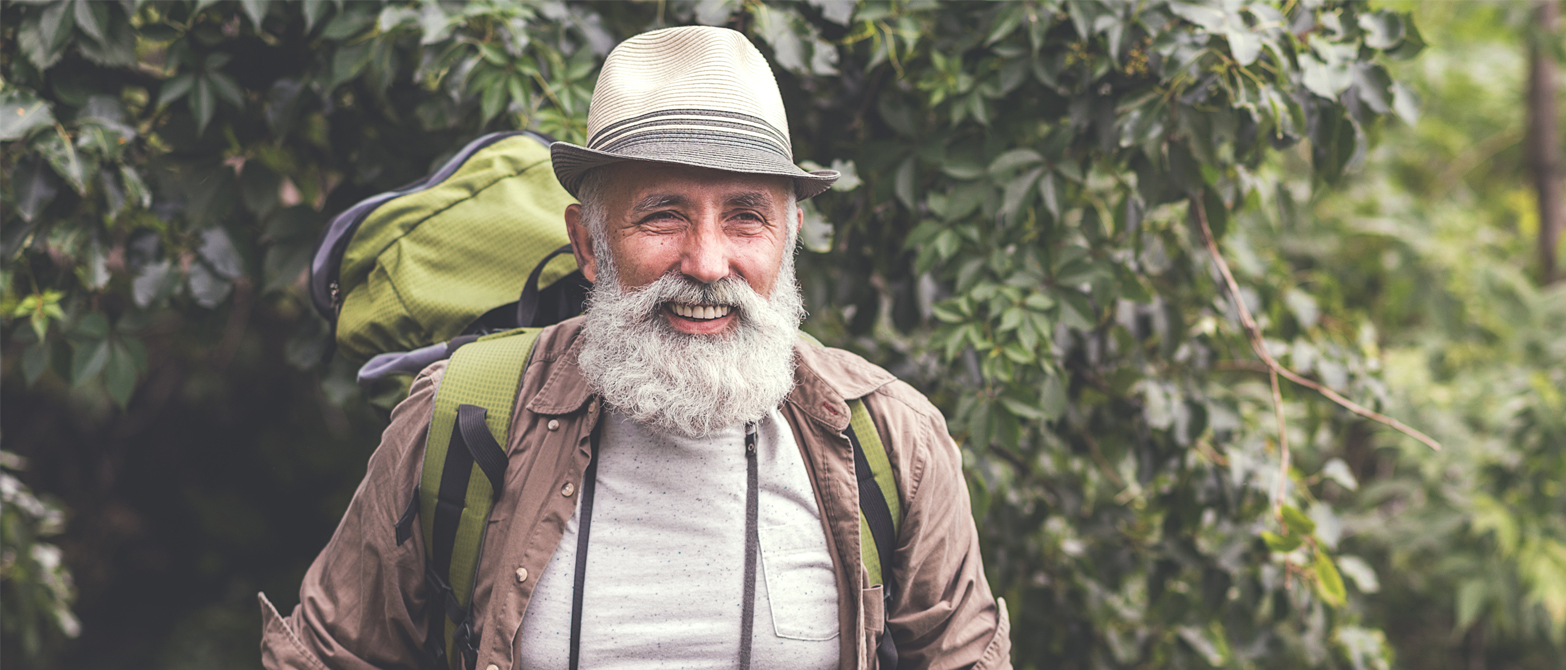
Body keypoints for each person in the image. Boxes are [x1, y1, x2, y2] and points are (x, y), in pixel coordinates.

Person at [259, 26, 1011, 670]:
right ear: (589, 244)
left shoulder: (889, 441)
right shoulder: (462, 416)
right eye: (662, 216)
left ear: (788, 242)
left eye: (745, 218)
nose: (708, 263)